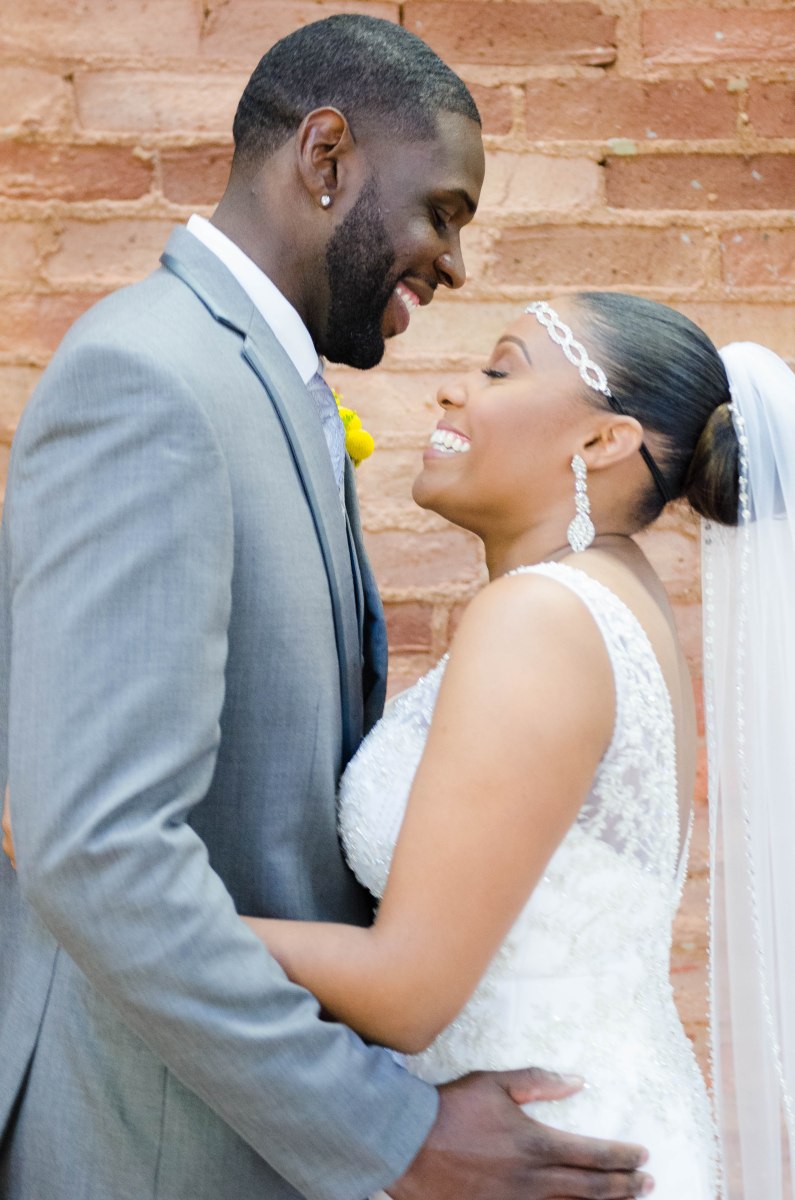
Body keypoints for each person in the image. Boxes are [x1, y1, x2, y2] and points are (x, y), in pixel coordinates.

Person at [0, 15, 651, 1200]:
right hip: (150, 1143)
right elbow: (97, 853)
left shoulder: (269, 386)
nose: (455, 262)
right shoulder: (149, 380)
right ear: (326, 156)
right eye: (443, 211)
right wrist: (388, 1132)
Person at [232, 290, 795, 1198]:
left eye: (499, 369)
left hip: (537, 1151)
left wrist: (144, 910)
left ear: (601, 441)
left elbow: (404, 993)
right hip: (583, 1128)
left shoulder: (540, 618)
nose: (452, 390)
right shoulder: (607, 593)